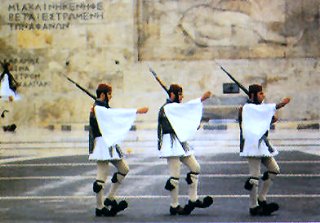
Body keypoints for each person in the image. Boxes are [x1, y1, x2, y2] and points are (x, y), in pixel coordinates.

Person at [88, 83, 148, 217]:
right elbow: (116, 114)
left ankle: (110, 197)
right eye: (109, 93)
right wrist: (136, 111)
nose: (111, 96)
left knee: (124, 169)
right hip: (102, 143)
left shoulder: (101, 108)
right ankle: (99, 207)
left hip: (109, 142)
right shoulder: (99, 109)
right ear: (103, 95)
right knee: (101, 176)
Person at [157, 84, 214, 215]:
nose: (182, 97)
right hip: (171, 144)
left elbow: (183, 118)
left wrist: (193, 125)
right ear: (172, 95)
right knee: (174, 176)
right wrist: (201, 99)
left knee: (195, 168)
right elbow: (185, 111)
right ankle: (174, 205)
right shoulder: (167, 108)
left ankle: (193, 199)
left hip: (180, 143)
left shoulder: (174, 108)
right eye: (180, 94)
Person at [238, 84, 290, 216]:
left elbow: (261, 121)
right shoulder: (247, 108)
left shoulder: (257, 108)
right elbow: (255, 119)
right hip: (252, 145)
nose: (263, 95)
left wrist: (270, 120)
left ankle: (261, 198)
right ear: (252, 95)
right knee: (254, 176)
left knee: (274, 169)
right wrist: (281, 104)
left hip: (262, 144)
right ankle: (253, 206)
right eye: (260, 94)